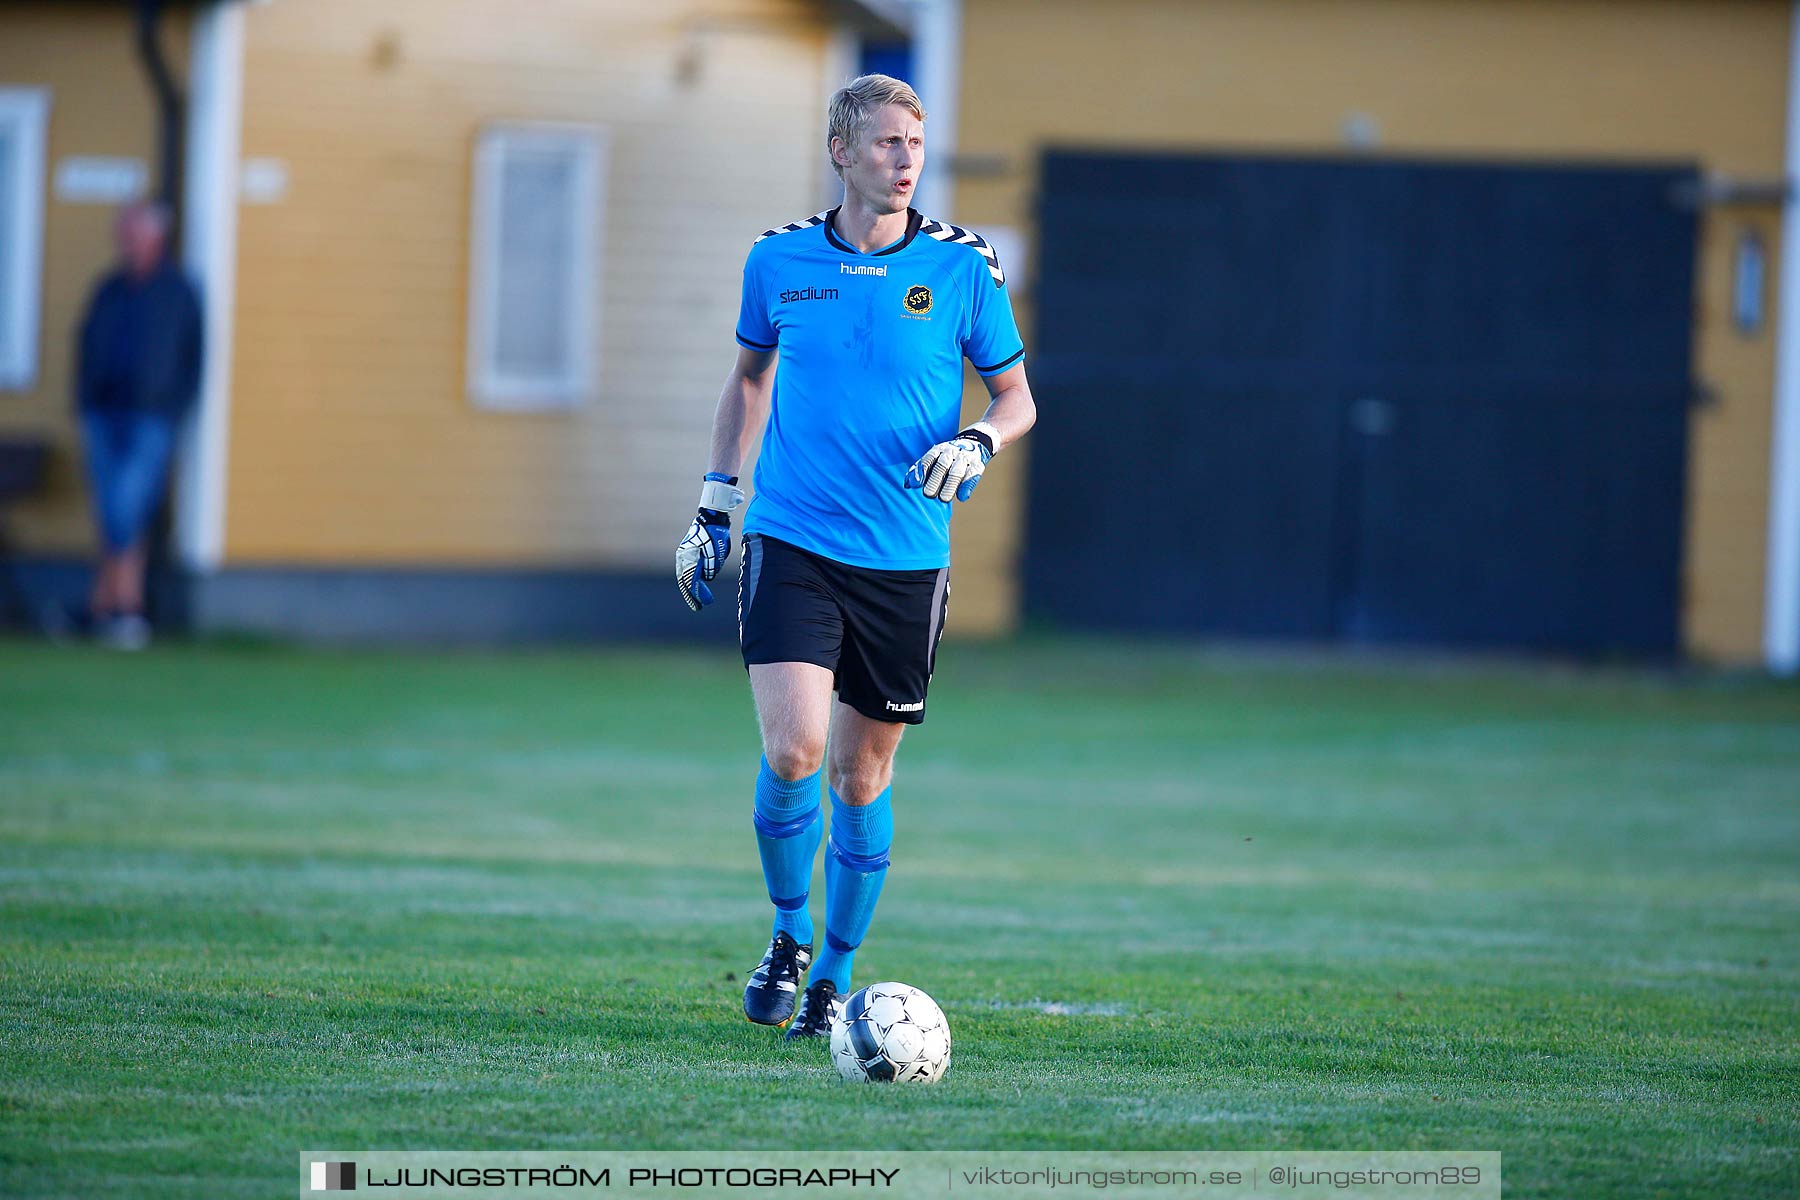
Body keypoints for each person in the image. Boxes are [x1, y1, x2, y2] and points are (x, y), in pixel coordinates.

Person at [675, 75, 1037, 1041]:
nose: (904, 160)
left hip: (906, 560)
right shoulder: (779, 258)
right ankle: (791, 935)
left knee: (859, 779)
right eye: (884, 144)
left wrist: (978, 442)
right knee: (793, 749)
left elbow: (1016, 397)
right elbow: (750, 380)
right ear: (841, 152)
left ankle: (835, 975)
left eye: (914, 144)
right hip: (792, 536)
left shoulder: (964, 266)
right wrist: (717, 506)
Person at [74, 200, 203, 649]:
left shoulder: (177, 291)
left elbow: (192, 357)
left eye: (132, 229)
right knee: (113, 506)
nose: (124, 237)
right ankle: (118, 609)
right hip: (103, 411)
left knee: (126, 506)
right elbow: (86, 343)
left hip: (151, 416)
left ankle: (111, 603)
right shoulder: (110, 287)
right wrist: (85, 398)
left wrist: (173, 408)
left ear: (155, 235)